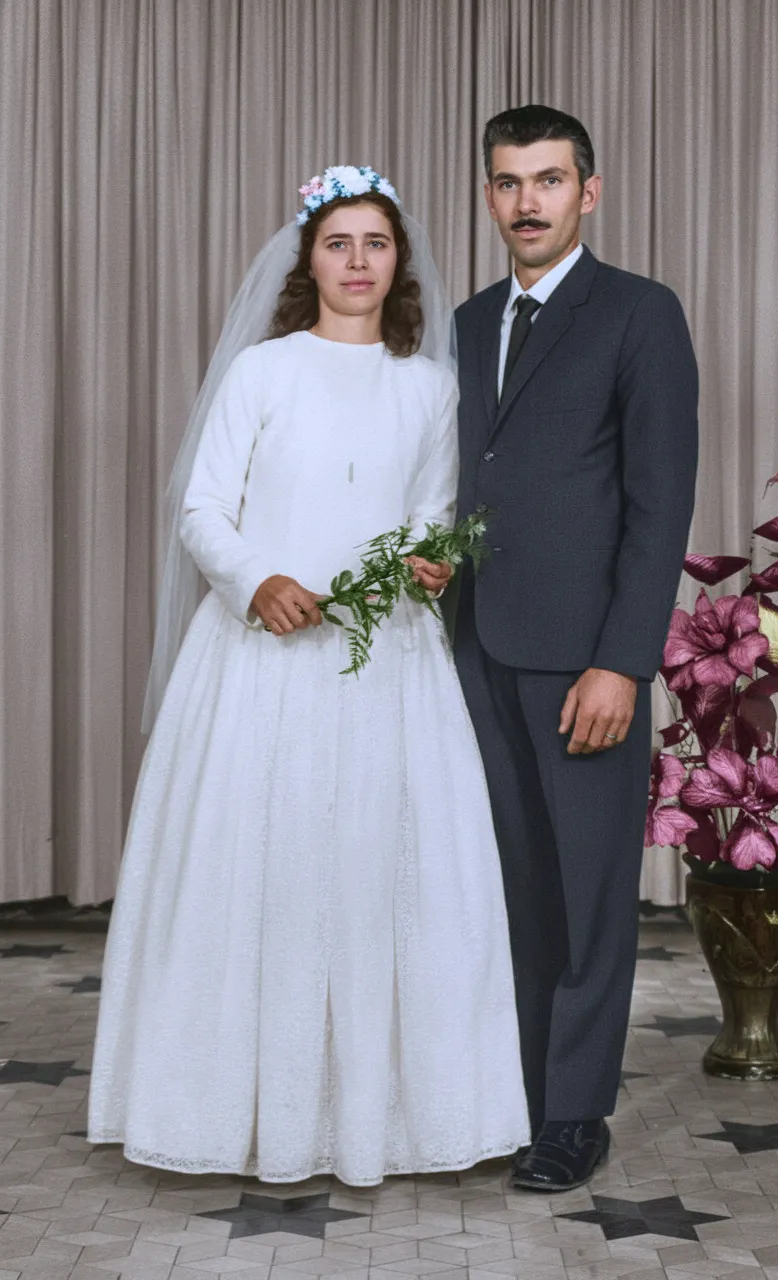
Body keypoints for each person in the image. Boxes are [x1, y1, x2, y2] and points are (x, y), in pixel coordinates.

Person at [87, 166, 530, 1187]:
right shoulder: (262, 372)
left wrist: (430, 556)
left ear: (398, 262)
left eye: (376, 243)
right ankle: (236, 1111)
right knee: (260, 870)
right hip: (260, 660)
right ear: (308, 259)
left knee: (383, 874)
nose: (358, 261)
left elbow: (429, 508)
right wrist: (254, 579)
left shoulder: (430, 387)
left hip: (387, 661)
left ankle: (387, 1114)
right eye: (339, 242)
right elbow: (202, 507)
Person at [417, 107, 699, 1192]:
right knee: (513, 889)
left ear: (588, 190)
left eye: (545, 179)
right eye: (504, 182)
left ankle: (575, 1114)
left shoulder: (637, 313)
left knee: (586, 895)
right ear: (488, 197)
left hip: (582, 659)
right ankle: (523, 1096)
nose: (524, 201)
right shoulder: (465, 318)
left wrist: (621, 660)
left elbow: (656, 498)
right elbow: (467, 475)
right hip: (473, 648)